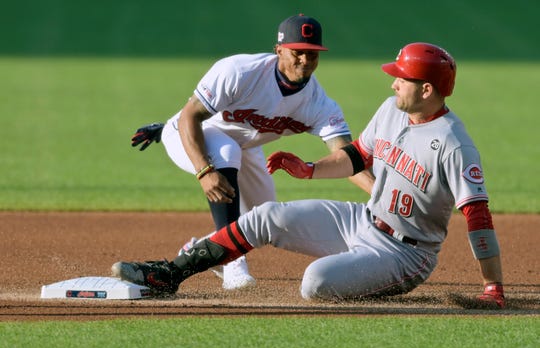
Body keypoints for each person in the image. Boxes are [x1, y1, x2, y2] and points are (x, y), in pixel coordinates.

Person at [113, 42, 505, 308]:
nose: (392, 82)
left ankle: (369, 275)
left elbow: (478, 215)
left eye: (401, 77)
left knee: (315, 283)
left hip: (407, 251)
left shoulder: (454, 144)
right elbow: (356, 156)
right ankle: (169, 275)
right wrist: (309, 169)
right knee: (265, 217)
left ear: (426, 89)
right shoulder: (391, 109)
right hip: (363, 220)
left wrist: (493, 287)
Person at [129, 14, 374, 290]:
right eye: (298, 52)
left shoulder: (320, 104)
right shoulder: (240, 71)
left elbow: (348, 159)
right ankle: (232, 262)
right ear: (279, 49)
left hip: (243, 148)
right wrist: (204, 170)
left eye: (312, 54)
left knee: (261, 216)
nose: (305, 61)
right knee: (226, 150)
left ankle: (198, 249)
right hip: (189, 137)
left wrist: (380, 193)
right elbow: (191, 116)